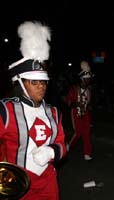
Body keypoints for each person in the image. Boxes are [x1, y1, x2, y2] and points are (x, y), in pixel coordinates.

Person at [0, 21, 67, 200]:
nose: (41, 87)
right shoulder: (5, 111)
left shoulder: (53, 112)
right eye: (34, 82)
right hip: (17, 184)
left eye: (43, 82)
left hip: (48, 181)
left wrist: (52, 151)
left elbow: (62, 144)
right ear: (21, 83)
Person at [65, 61, 94, 161]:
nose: (89, 81)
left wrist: (88, 107)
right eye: (87, 79)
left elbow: (89, 103)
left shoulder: (89, 90)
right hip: (75, 112)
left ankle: (87, 153)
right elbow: (68, 102)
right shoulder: (74, 89)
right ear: (82, 79)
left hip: (85, 113)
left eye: (89, 79)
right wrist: (76, 103)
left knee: (87, 133)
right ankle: (68, 145)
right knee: (78, 132)